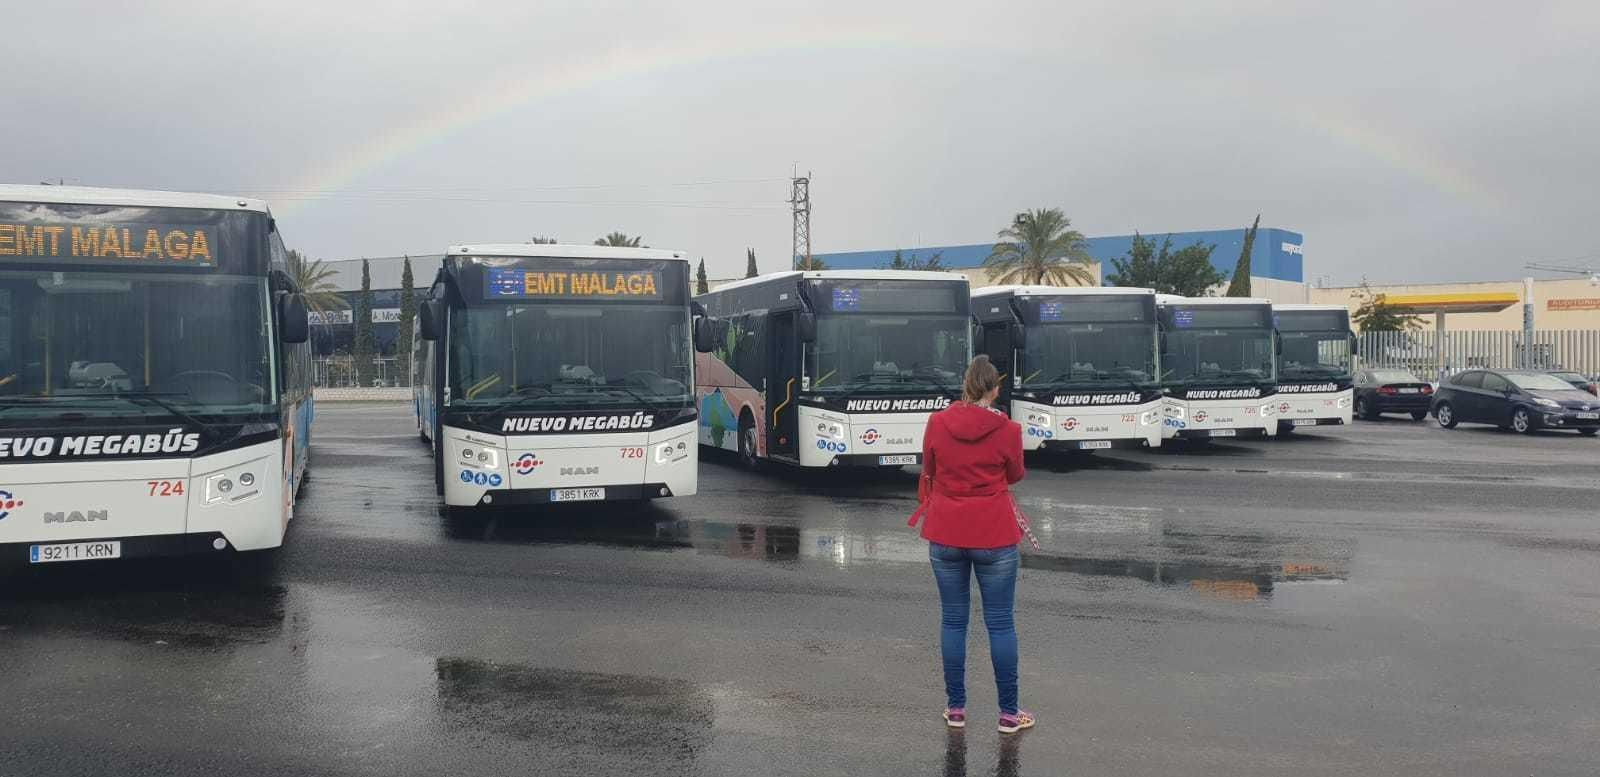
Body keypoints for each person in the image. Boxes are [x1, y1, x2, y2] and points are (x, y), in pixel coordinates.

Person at [910, 354, 1034, 734]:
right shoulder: (1009, 430)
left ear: (965, 385)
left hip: (946, 531)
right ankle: (1009, 714)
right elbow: (1015, 474)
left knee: (953, 621)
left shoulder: (938, 422)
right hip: (994, 534)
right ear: (995, 390)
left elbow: (929, 469)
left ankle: (956, 709)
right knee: (1000, 624)